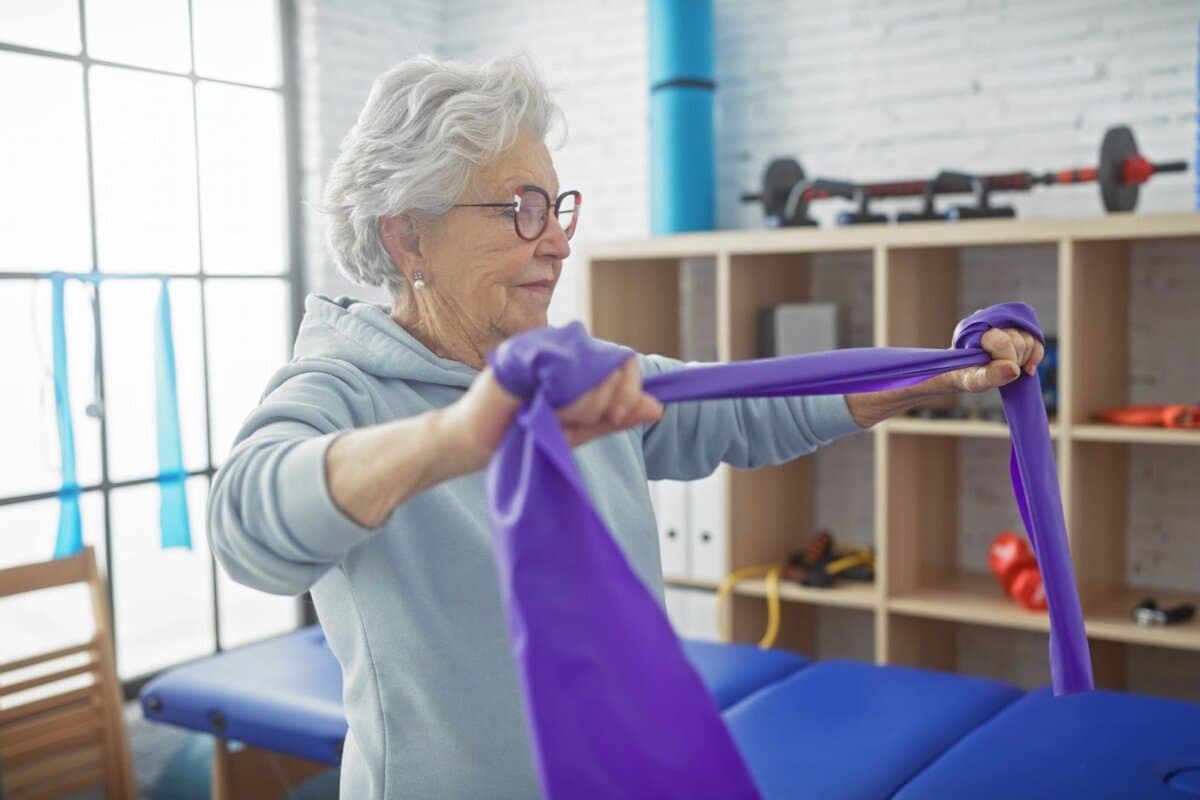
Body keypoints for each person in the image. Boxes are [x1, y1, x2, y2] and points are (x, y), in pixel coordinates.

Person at [208, 54, 1044, 799]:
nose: (560, 242)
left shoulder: (572, 373)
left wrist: (936, 373)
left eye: (558, 206)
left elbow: (748, 405)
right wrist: (456, 438)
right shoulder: (340, 385)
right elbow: (245, 522)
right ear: (408, 236)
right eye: (520, 210)